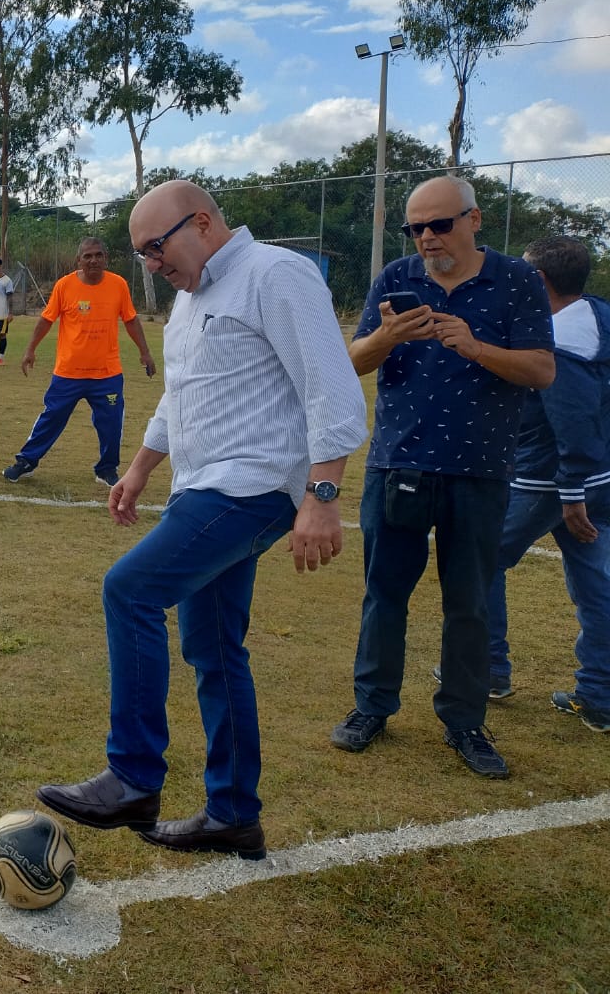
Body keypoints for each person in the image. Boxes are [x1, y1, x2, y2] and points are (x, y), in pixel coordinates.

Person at [37, 181, 366, 861]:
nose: (150, 264)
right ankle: (233, 815)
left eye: (156, 247)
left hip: (251, 489)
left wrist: (323, 492)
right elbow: (180, 396)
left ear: (205, 223)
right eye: (141, 254)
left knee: (130, 589)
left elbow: (330, 384)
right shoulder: (188, 304)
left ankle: (133, 776)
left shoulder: (275, 274)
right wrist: (138, 469)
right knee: (214, 650)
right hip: (201, 488)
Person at [332, 176, 554, 780]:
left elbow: (541, 370)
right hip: (398, 464)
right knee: (384, 595)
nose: (427, 237)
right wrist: (387, 336)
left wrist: (474, 347)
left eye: (440, 224)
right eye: (416, 228)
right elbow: (350, 363)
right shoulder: (396, 278)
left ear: (474, 219)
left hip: (480, 470)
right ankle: (372, 707)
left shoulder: (517, 280)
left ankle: (464, 722)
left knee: (469, 604)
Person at [479, 235, 610, 732]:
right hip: (598, 476)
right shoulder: (598, 316)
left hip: (549, 481)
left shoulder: (559, 338)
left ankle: (487, 670)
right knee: (596, 583)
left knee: (480, 558)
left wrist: (572, 489)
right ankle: (599, 695)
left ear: (537, 280)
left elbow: (572, 415)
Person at [2, 238, 156, 487]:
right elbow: (46, 319)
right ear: (79, 260)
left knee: (111, 423)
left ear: (106, 258)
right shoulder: (64, 286)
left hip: (107, 374)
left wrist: (145, 353)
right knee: (51, 418)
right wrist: (30, 349)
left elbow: (130, 320)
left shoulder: (118, 284)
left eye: (98, 255)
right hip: (68, 372)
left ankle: (107, 469)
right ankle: (26, 461)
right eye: (88, 256)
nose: (93, 260)